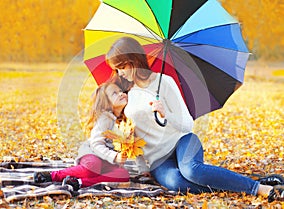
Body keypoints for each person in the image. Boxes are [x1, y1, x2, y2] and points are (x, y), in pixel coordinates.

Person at [105, 36, 284, 202]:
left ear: (133, 61)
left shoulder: (164, 82)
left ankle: (259, 188)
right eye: (117, 69)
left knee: (191, 170)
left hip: (183, 141)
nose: (119, 73)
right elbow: (132, 135)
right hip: (158, 160)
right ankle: (240, 182)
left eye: (121, 67)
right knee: (176, 182)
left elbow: (187, 124)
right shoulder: (129, 93)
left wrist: (166, 114)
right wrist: (143, 168)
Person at [34, 78, 148, 191]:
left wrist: (143, 169)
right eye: (115, 93)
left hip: (108, 163)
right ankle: (52, 175)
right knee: (93, 166)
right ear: (106, 103)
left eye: (121, 91)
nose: (121, 94)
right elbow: (95, 143)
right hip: (92, 154)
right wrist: (114, 156)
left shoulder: (129, 120)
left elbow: (135, 146)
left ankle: (78, 182)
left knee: (123, 174)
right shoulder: (105, 119)